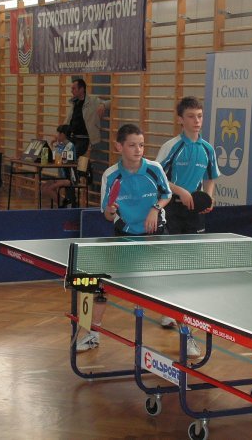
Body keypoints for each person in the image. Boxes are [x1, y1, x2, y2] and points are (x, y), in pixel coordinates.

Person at [76, 124, 172, 352]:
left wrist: (155, 208)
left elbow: (166, 194)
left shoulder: (154, 169)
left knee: (170, 281)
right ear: (119, 146)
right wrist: (111, 210)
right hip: (125, 235)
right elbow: (107, 215)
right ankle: (92, 333)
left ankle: (183, 333)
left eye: (141, 145)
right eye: (132, 145)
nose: (138, 150)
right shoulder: (111, 175)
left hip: (154, 233)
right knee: (101, 285)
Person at [155, 96, 220, 352]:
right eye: (191, 116)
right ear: (180, 119)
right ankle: (171, 312)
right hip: (172, 207)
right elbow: (158, 176)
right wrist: (180, 191)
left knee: (191, 266)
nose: (197, 121)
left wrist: (209, 196)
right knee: (171, 262)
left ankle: (184, 324)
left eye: (200, 116)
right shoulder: (172, 146)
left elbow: (211, 177)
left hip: (195, 211)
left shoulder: (207, 149)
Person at [64, 78, 110, 158]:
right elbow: (68, 120)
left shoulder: (92, 100)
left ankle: (84, 165)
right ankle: (86, 165)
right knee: (64, 156)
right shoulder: (74, 102)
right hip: (73, 137)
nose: (71, 91)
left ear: (81, 89)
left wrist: (103, 105)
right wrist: (61, 132)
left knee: (71, 158)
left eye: (74, 88)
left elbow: (110, 102)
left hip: (84, 139)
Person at [40, 125, 77, 206]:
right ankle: (64, 203)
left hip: (70, 178)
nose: (56, 136)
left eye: (58, 134)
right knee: (44, 187)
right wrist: (53, 146)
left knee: (49, 189)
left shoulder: (69, 145)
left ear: (63, 135)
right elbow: (54, 158)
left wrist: (56, 147)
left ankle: (63, 204)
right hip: (62, 177)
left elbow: (62, 159)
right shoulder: (61, 145)